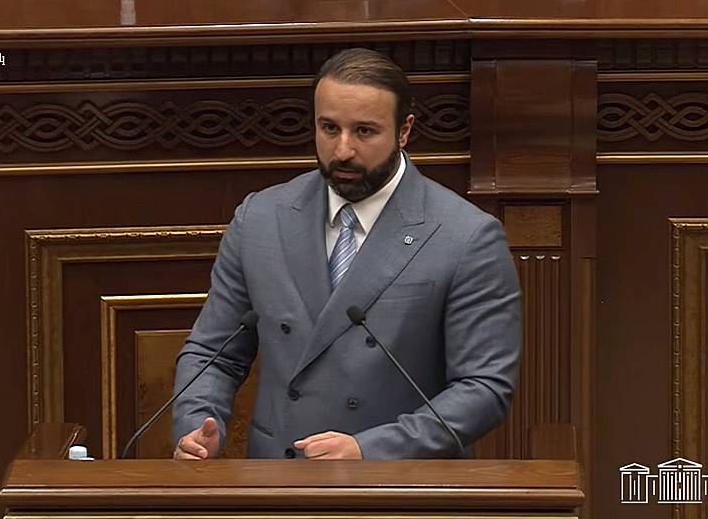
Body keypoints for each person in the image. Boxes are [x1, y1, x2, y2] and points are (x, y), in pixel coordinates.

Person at [172, 48, 521, 460]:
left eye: (364, 132)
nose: (342, 150)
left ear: (404, 131)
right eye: (329, 128)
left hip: (401, 479)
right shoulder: (260, 219)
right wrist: (198, 425)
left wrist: (369, 449)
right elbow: (212, 353)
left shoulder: (466, 236)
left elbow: (483, 388)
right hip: (279, 476)